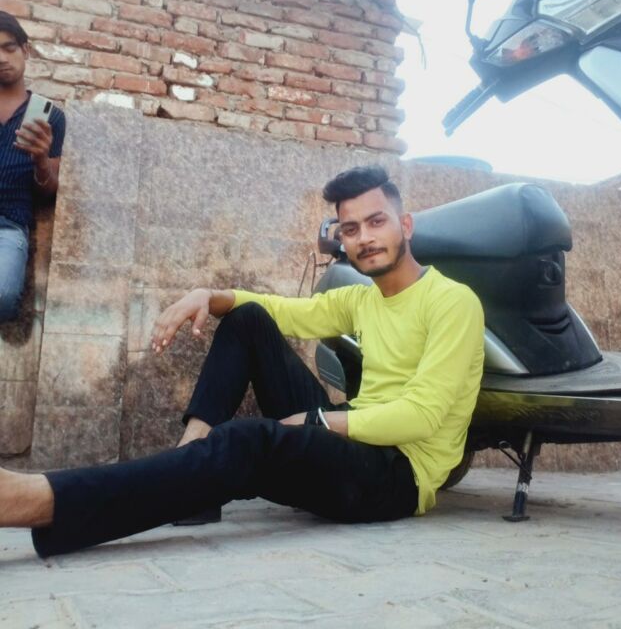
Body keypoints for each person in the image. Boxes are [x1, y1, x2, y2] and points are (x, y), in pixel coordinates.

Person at [0, 165, 484, 557]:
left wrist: (315, 421)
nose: (365, 238)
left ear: (405, 225)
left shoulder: (452, 302)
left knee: (246, 441)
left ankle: (39, 499)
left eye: (377, 222)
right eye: (351, 229)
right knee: (247, 319)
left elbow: (422, 416)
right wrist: (208, 295)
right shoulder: (363, 299)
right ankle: (190, 458)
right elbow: (281, 311)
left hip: (398, 475)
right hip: (354, 437)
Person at [0, 11, 65, 322]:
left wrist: (40, 160)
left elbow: (49, 191)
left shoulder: (51, 117)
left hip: (9, 224)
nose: (1, 58)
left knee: (3, 296)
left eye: (9, 47)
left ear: (25, 50)